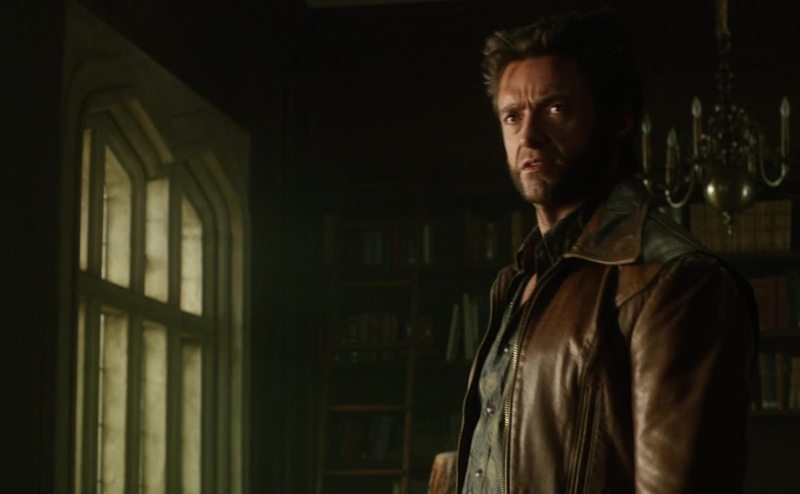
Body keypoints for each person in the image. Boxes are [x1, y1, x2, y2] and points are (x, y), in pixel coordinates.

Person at [456, 9, 757, 494]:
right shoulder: (516, 281)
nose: (528, 136)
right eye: (513, 116)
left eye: (555, 109)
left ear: (620, 119)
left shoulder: (675, 280)